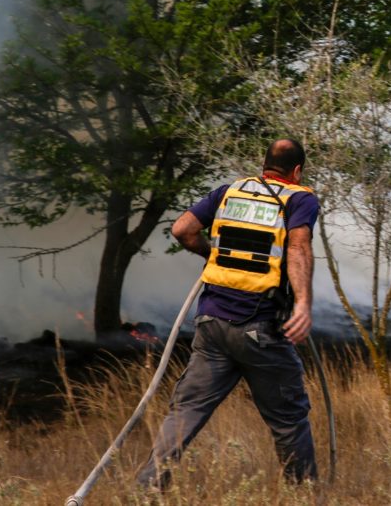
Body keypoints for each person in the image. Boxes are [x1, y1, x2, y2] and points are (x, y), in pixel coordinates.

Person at [137, 138, 320, 488]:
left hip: (211, 324)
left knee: (186, 411)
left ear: (263, 164)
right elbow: (298, 246)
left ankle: (148, 487)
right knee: (289, 419)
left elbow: (182, 229)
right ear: (296, 171)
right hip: (260, 328)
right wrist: (303, 304)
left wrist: (213, 256)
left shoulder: (229, 191)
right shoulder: (299, 199)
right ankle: (304, 494)